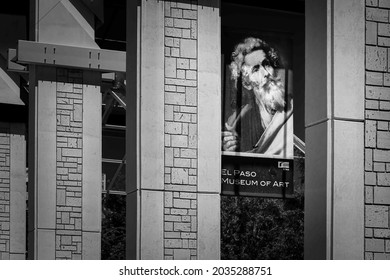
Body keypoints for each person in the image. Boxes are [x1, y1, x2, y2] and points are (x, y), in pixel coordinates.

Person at [222, 37, 293, 157]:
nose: (266, 73)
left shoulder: (294, 109)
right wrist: (230, 149)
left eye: (267, 64)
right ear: (246, 83)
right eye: (256, 69)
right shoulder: (236, 120)